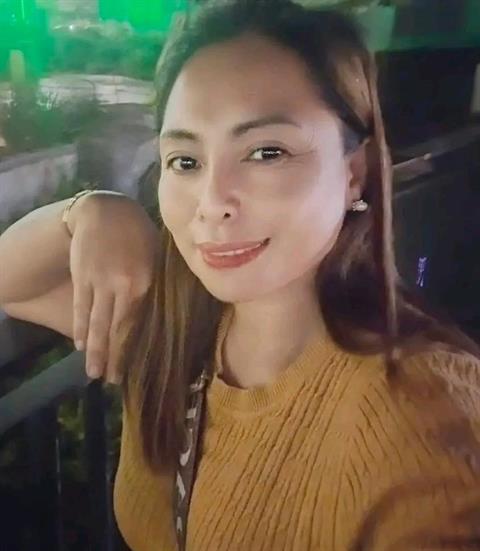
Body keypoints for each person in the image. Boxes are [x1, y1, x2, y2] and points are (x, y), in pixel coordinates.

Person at [1, 0, 480, 549]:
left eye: (266, 152)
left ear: (354, 173)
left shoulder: (426, 418)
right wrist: (89, 210)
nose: (212, 204)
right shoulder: (170, 330)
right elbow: (11, 283)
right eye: (185, 161)